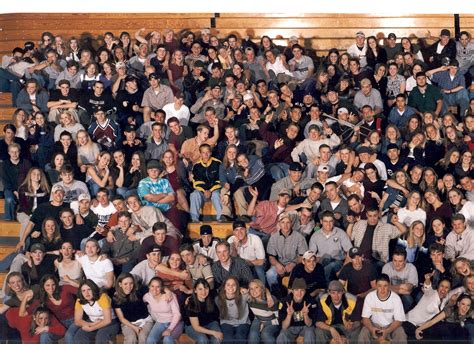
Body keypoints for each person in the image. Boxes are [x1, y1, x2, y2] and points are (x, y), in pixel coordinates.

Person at [358, 274, 407, 343]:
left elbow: (399, 321)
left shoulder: (396, 298)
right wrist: (371, 329)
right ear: (375, 286)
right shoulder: (370, 296)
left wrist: (387, 331)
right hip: (374, 325)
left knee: (401, 334)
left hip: (390, 325)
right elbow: (365, 318)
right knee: (363, 333)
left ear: (389, 285)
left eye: (385, 286)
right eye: (379, 286)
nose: (382, 289)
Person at [266, 212, 308, 293]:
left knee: (299, 275)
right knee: (270, 274)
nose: (285, 225)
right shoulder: (274, 238)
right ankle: (275, 294)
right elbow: (271, 257)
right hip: (279, 263)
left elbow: (303, 256)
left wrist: (294, 264)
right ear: (279, 224)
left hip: (295, 264)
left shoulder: (299, 237)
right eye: (283, 222)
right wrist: (277, 265)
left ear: (291, 224)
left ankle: (293, 295)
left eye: (288, 222)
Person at [72, 279, 120, 344]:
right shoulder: (79, 300)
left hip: (110, 323)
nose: (86, 293)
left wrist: (91, 328)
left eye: (89, 289)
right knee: (79, 337)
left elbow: (108, 320)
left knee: (100, 338)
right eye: (83, 291)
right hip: (93, 321)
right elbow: (77, 321)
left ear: (93, 289)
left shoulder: (102, 297)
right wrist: (91, 324)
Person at [276, 278, 317, 343]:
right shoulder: (284, 302)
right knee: (282, 336)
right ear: (292, 291)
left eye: (302, 290)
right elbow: (284, 327)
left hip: (305, 327)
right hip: (290, 327)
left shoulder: (311, 301)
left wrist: (305, 315)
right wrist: (289, 315)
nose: (299, 293)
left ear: (305, 291)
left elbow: (309, 325)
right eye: (296, 290)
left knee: (310, 333)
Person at [144, 277, 183, 344]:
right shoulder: (147, 297)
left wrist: (169, 329)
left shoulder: (170, 296)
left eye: (158, 287)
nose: (154, 289)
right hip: (160, 322)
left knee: (167, 340)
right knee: (150, 340)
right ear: (149, 286)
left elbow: (177, 314)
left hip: (175, 323)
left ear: (162, 287)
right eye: (152, 286)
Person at [184, 278, 223, 344]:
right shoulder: (191, 303)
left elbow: (224, 289)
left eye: (206, 288)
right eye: (200, 289)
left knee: (217, 339)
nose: (204, 292)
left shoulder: (212, 296)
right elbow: (196, 327)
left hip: (210, 323)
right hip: (193, 326)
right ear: (195, 290)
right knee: (202, 340)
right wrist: (213, 332)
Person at [190, 144, 223, 222]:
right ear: (200, 153)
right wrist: (205, 190)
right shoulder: (196, 166)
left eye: (207, 152)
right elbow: (196, 182)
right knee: (194, 194)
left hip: (214, 189)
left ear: (211, 152)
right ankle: (194, 219)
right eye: (203, 152)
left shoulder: (217, 163)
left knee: (216, 195)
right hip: (202, 191)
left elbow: (219, 180)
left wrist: (210, 190)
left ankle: (221, 218)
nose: (206, 154)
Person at [227, 220, 266, 284]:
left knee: (258, 269)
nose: (239, 232)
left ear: (246, 230)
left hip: (256, 264)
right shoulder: (231, 240)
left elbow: (261, 261)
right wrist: (234, 246)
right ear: (233, 232)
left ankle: (263, 289)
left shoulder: (255, 239)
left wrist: (245, 263)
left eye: (242, 229)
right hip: (241, 266)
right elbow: (231, 261)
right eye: (236, 230)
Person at [382, 247, 418, 311]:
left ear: (405, 261)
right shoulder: (387, 267)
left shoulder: (411, 268)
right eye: (395, 260)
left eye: (400, 261)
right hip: (393, 294)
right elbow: (384, 288)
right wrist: (401, 289)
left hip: (406, 295)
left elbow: (408, 288)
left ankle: (399, 316)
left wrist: (390, 287)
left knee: (408, 299)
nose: (397, 264)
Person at [215, 277, 251, 343]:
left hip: (243, 322)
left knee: (240, 337)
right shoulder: (218, 299)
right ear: (224, 287)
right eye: (228, 285)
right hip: (226, 323)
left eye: (233, 285)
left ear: (237, 287)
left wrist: (268, 294)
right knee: (228, 339)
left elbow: (258, 293)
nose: (231, 287)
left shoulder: (244, 296)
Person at [247, 279, 280, 344]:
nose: (254, 291)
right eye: (251, 289)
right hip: (258, 319)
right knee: (253, 334)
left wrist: (265, 324)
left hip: (272, 322)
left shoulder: (271, 299)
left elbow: (278, 319)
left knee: (265, 334)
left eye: (256, 287)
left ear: (261, 288)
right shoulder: (249, 298)